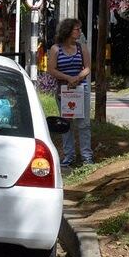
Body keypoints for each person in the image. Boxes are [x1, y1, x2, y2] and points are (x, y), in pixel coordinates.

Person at [47, 18, 93, 167]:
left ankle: (86, 156)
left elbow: (87, 67)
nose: (79, 32)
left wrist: (78, 78)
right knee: (66, 123)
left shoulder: (82, 48)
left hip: (81, 89)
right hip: (64, 90)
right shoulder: (56, 49)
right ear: (68, 31)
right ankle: (69, 155)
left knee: (84, 123)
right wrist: (68, 78)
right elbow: (51, 69)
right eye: (77, 29)